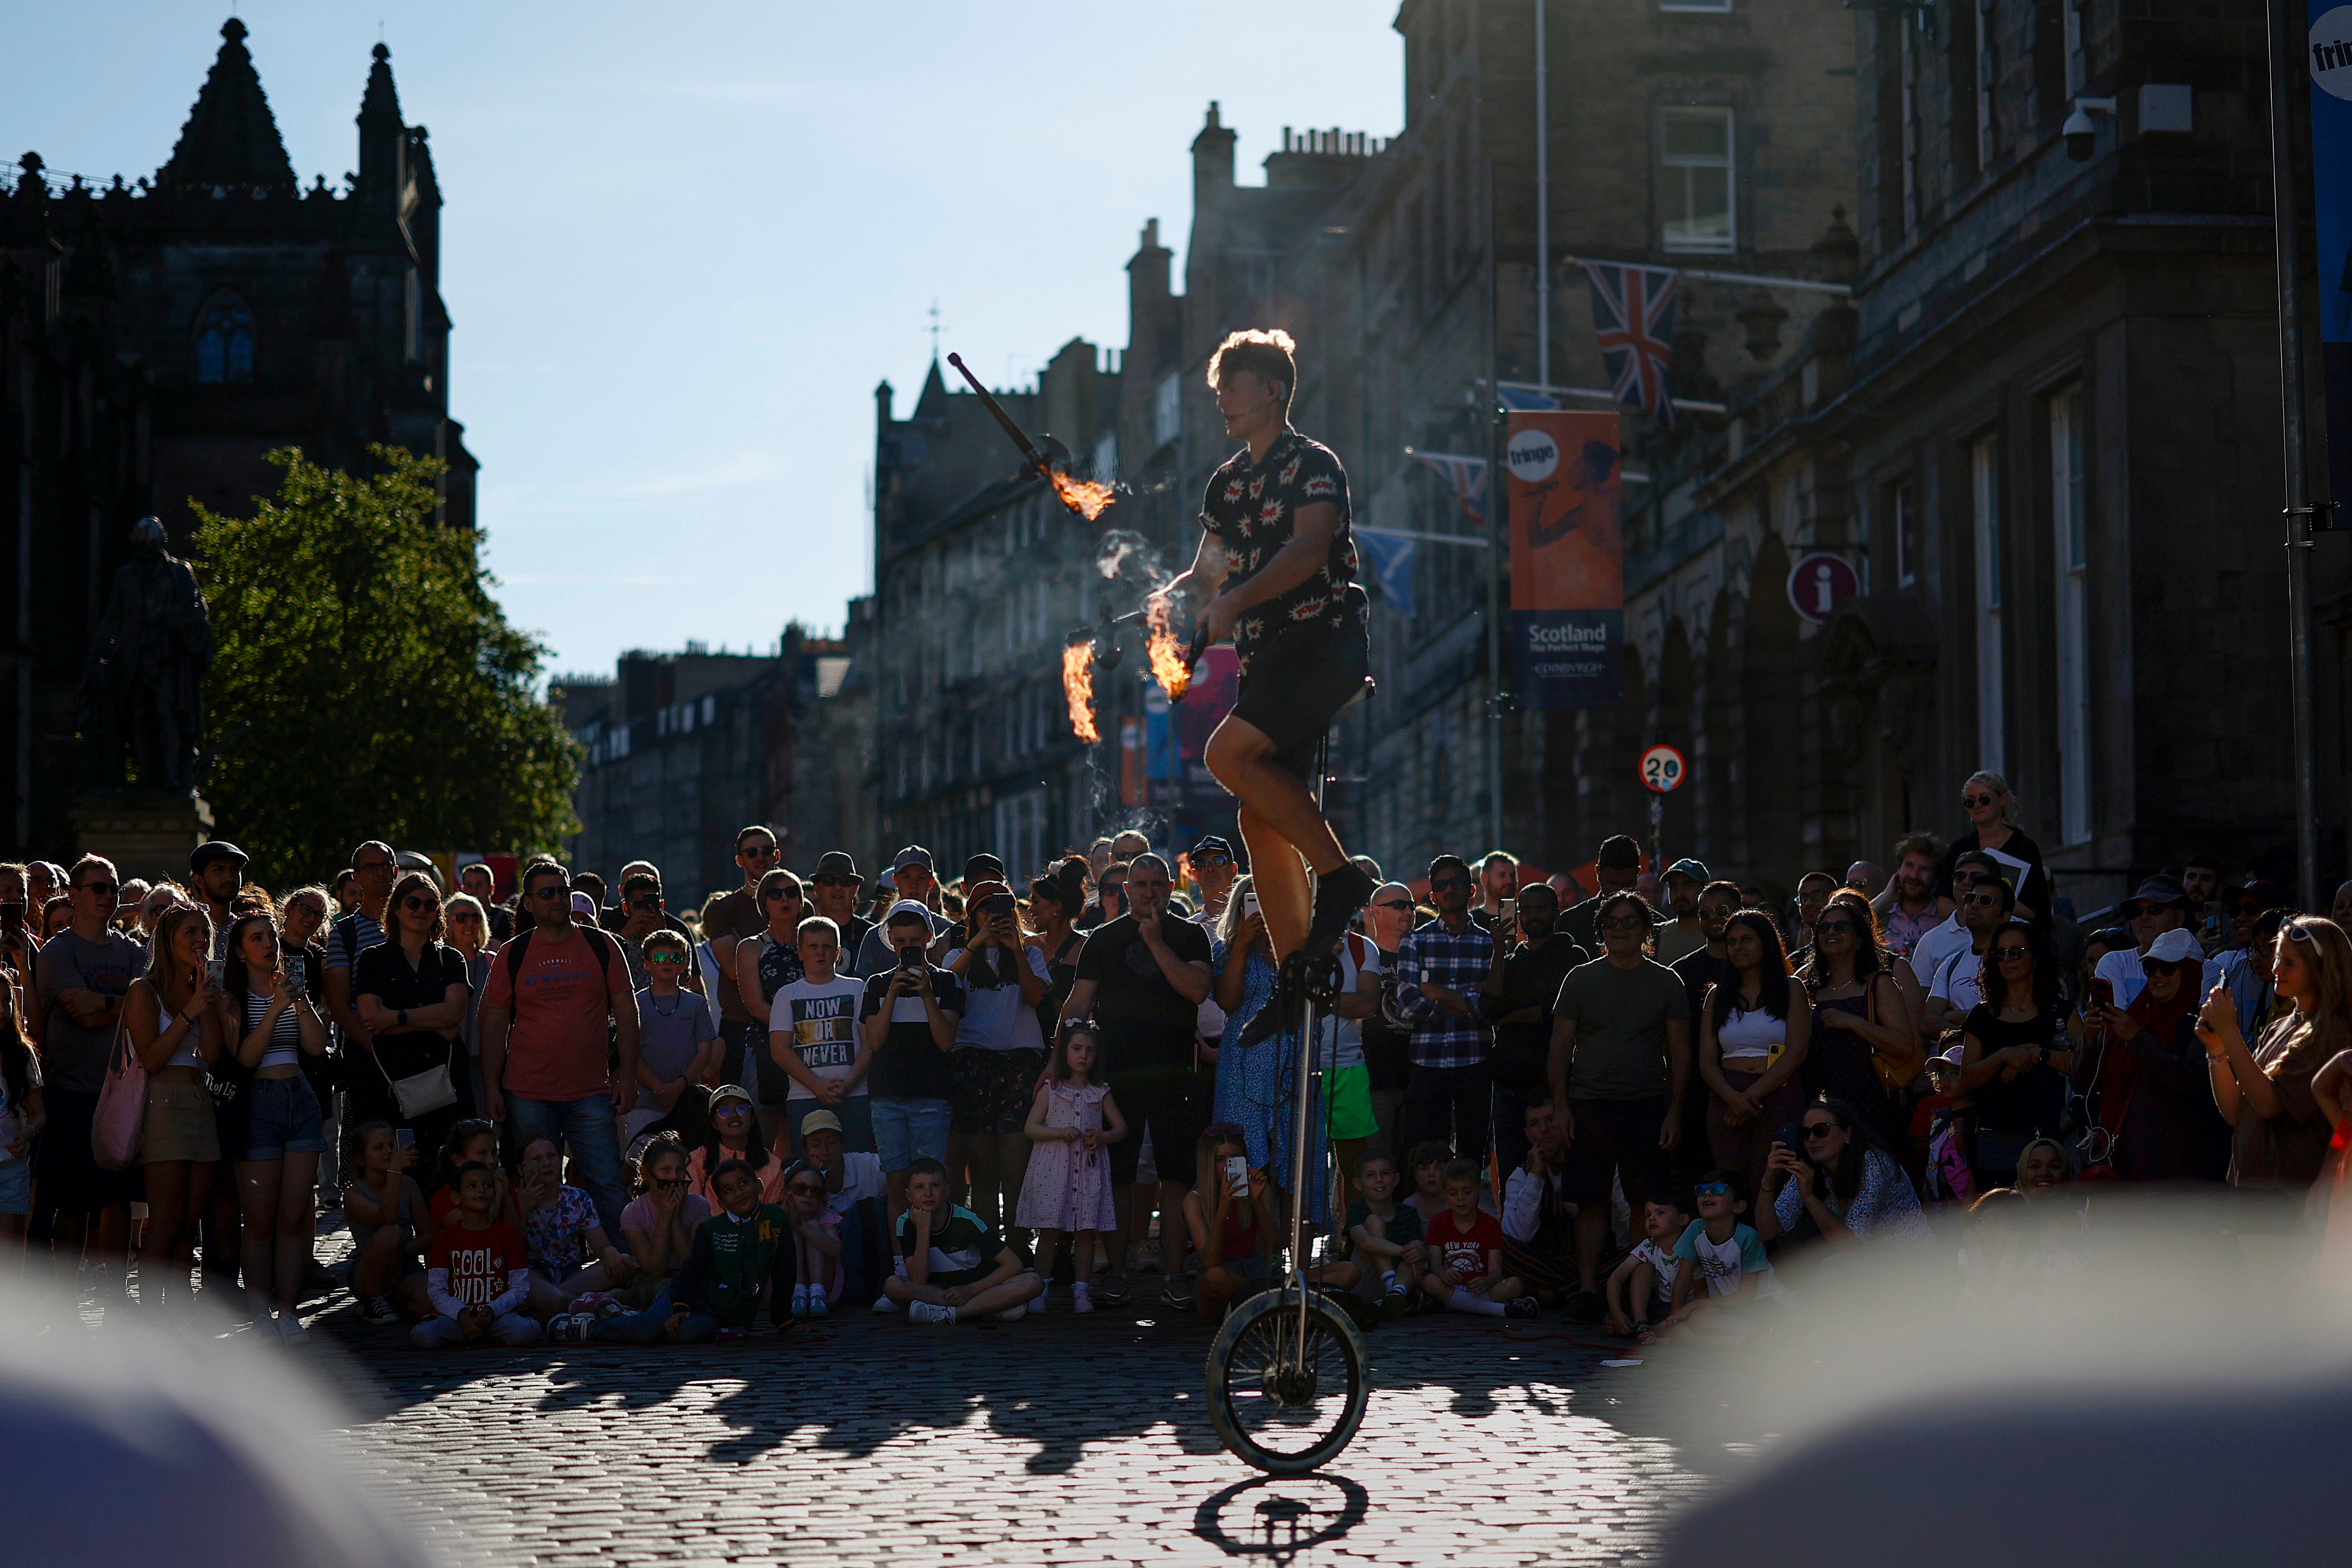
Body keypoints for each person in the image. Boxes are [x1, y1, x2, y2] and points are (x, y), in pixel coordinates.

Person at [1159, 329, 1376, 979]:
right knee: (1259, 816)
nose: (1221, 397)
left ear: (1273, 390)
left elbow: (1308, 550)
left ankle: (1340, 877)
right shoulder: (1225, 485)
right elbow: (1207, 576)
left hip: (1323, 640)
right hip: (1267, 659)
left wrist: (1233, 602)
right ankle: (1297, 972)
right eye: (1218, 386)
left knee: (1225, 754)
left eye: (1232, 384)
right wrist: (1168, 599)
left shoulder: (1314, 463)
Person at [1060, 852, 1213, 1308]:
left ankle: (1173, 1275)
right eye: (1141, 885)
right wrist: (1055, 1071)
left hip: (1176, 1075)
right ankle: (1118, 1271)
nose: (1150, 893)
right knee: (1118, 1178)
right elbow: (1077, 1007)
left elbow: (1197, 990)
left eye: (1158, 884)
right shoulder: (1103, 940)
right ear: (1127, 891)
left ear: (1171, 888)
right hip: (1117, 1076)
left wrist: (1156, 942)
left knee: (1176, 1179)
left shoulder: (1189, 936)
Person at [1547, 890, 1690, 1323]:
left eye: (1631, 922)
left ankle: (1634, 1288)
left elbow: (1680, 1052)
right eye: (1612, 923)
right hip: (1588, 1104)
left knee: (1644, 1202)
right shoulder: (1580, 979)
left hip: (1646, 1104)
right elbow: (1559, 1048)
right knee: (1590, 1203)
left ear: (1647, 929)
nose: (1621, 929)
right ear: (1601, 931)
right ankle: (1590, 1290)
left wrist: (1675, 1110)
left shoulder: (1667, 981)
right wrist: (1561, 1106)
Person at [478, 859, 641, 1240]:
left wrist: (629, 1077)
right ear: (529, 904)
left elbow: (629, 1014)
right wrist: (491, 1087)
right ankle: (537, 1270)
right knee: (535, 1186)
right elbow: (493, 1025)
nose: (557, 899)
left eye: (563, 891)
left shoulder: (602, 945)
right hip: (528, 1092)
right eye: (547, 893)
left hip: (591, 1091)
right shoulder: (513, 954)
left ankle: (625, 1269)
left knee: (606, 1183)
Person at [26, 855, 144, 1301]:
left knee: (116, 1203)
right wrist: (127, 1006)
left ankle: (116, 1298)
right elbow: (81, 1011)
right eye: (98, 888)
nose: (108, 897)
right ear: (73, 896)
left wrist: (108, 1005)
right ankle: (64, 1301)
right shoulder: (58, 951)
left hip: (121, 1093)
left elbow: (114, 1011)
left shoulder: (134, 952)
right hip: (71, 1091)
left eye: (112, 888)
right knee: (72, 1205)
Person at [218, 909, 329, 1339]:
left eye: (271, 937)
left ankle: (288, 1310)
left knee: (293, 1217)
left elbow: (316, 1046)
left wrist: (298, 1002)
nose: (269, 945)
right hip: (257, 1103)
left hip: (299, 1097)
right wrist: (275, 1008)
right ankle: (260, 1312)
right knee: (260, 1220)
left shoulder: (292, 988)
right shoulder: (233, 998)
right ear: (242, 952)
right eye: (258, 939)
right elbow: (244, 1058)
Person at [2196, 915, 2348, 1196]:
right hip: (2251, 1188)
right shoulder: (2280, 1024)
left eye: (2289, 962)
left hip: (2290, 1194)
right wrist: (2217, 1050)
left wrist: (2230, 1033)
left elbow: (2268, 1104)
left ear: (2320, 969)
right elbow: (2236, 1113)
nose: (2276, 968)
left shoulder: (2332, 1032)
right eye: (2278, 958)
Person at [124, 905, 224, 1312]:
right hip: (162, 1105)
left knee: (190, 1223)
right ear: (168, 940)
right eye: (190, 932)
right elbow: (151, 1058)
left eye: (205, 932)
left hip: (201, 1103)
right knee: (164, 1221)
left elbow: (213, 1055)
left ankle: (180, 1314)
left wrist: (209, 1003)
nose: (200, 940)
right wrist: (190, 1012)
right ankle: (150, 1316)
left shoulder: (201, 988)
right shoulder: (143, 991)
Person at [350, 872, 473, 1181]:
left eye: (431, 904)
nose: (422, 910)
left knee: (449, 1171)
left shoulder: (451, 959)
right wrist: (435, 1022)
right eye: (413, 902)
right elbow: (370, 1018)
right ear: (396, 908)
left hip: (446, 1080)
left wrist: (395, 1018)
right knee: (394, 1173)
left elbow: (454, 1014)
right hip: (390, 1081)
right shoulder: (373, 959)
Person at [943, 880, 1050, 1229]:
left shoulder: (1030, 952)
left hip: (1019, 1062)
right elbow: (944, 988)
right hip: (972, 1063)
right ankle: (990, 1258)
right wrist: (975, 945)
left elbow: (1036, 998)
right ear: (972, 916)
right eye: (984, 909)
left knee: (1016, 1170)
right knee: (984, 1172)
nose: (992, 916)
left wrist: (1015, 950)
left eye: (1000, 909)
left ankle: (1019, 1254)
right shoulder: (955, 956)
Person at [858, 901, 965, 1223]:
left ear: (929, 938)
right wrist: (892, 994)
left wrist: (927, 995)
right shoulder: (876, 984)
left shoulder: (947, 982)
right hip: (887, 1099)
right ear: (890, 939)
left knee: (931, 1188)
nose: (908, 948)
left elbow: (946, 1042)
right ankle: (900, 1262)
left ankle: (933, 1258)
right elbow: (874, 1042)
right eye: (901, 942)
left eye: (915, 942)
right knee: (897, 1189)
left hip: (932, 1098)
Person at [1695, 910, 1811, 1198]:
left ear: (1766, 943)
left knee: (1775, 1186)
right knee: (1733, 1188)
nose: (1738, 948)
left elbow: (1796, 1053)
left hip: (1778, 1095)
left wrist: (1749, 1099)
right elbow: (1707, 1062)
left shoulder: (1792, 988)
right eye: (1732, 942)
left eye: (1746, 939)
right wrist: (1733, 1099)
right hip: (1726, 1098)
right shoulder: (1717, 995)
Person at [1479, 880, 1589, 1175]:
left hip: (1556, 1086)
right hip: (1511, 1086)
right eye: (1525, 910)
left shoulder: (1573, 957)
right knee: (1512, 1172)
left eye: (1541, 909)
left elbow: (1553, 1013)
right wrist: (1499, 950)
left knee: (1565, 1173)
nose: (1533, 916)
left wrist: (1510, 1016)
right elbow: (1490, 1009)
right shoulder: (1512, 961)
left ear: (1555, 913)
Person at [1393, 855, 1497, 1162]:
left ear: (1472, 890)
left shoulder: (1489, 943)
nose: (1449, 890)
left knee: (1472, 1156)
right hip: (1428, 1063)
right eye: (1441, 885)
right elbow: (1407, 1007)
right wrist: (1467, 1002)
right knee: (1426, 1160)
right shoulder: (1415, 942)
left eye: (1457, 882)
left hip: (1475, 1062)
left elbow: (1492, 1007)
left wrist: (1439, 994)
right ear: (1433, 896)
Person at [1795, 891, 1917, 1154]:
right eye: (1824, 927)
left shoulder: (1879, 984)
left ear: (1859, 939)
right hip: (1819, 1108)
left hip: (1872, 1107)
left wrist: (1852, 1022)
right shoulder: (1807, 986)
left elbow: (1905, 1046)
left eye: (1841, 926)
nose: (1831, 932)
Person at [1958, 919, 2076, 1190]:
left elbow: (2087, 1070)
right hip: (1995, 1142)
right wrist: (2003, 1056)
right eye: (2000, 954)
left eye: (2016, 952)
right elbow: (1966, 1080)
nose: (2007, 960)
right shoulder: (1982, 1016)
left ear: (2035, 959)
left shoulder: (2062, 1013)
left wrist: (2040, 1055)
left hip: (2049, 1144)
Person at [1015, 1021, 1125, 1312]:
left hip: (1088, 1172)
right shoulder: (1051, 1090)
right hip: (1054, 1171)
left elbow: (1121, 1128)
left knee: (1085, 1231)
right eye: (1076, 1048)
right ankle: (1039, 1289)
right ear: (1064, 1051)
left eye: (1089, 1050)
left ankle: (1082, 1292)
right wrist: (1059, 1132)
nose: (1083, 1056)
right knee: (1049, 1230)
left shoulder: (1100, 1092)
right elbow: (1031, 1128)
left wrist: (1103, 1137)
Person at [883, 1156, 1043, 1325]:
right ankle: (982, 1308)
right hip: (938, 1293)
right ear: (909, 1195)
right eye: (920, 1187)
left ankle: (952, 1314)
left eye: (935, 1186)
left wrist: (969, 1291)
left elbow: (1013, 1265)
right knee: (893, 1285)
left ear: (946, 1191)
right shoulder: (905, 1222)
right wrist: (923, 1230)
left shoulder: (967, 1220)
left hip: (976, 1288)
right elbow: (918, 1280)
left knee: (1033, 1281)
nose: (928, 1193)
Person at [1757, 1096, 1931, 1249]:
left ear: (1847, 1133)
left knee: (1829, 1265)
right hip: (1869, 1261)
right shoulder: (1811, 1168)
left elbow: (1850, 1244)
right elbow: (1769, 1231)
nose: (1811, 1139)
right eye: (1805, 1133)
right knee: (1797, 1246)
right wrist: (1768, 1181)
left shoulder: (1874, 1164)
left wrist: (1809, 1197)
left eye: (1821, 1130)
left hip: (1910, 1259)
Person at [767, 916, 873, 1155]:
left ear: (838, 952)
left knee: (858, 1164)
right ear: (800, 952)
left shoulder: (858, 988)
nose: (820, 952)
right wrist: (816, 1085)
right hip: (804, 1095)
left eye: (827, 947)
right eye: (813, 947)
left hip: (855, 1095)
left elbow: (870, 1044)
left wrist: (848, 1085)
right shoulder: (787, 995)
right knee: (809, 1168)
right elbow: (780, 1049)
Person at [410, 1161, 541, 1348]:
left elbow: (519, 1286)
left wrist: (493, 1310)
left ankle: (482, 1333)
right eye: (472, 1186)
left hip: (498, 1317)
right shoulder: (446, 1238)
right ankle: (470, 1332)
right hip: (456, 1319)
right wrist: (462, 1316)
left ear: (495, 1195)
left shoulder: (508, 1234)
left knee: (527, 1333)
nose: (481, 1191)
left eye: (488, 1186)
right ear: (456, 1197)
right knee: (422, 1337)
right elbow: (436, 1289)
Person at [516, 1133, 634, 1314]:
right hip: (534, 1275)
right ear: (521, 1168)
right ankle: (588, 1303)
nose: (547, 1163)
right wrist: (523, 1209)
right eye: (537, 1159)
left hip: (573, 1275)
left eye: (551, 1156)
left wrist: (613, 1255)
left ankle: (557, 1303)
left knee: (623, 1263)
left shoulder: (577, 1198)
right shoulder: (514, 1199)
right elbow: (510, 1247)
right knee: (526, 1284)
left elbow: (602, 1247)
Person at [705, 825, 784, 1097]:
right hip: (741, 1026)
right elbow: (734, 969)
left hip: (792, 1022)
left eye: (766, 851)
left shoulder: (797, 904)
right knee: (739, 1112)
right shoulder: (722, 910)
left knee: (791, 1115)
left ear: (777, 856)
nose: (760, 857)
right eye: (752, 853)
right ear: (740, 860)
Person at [733, 867, 811, 1136]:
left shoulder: (815, 945)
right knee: (761, 1139)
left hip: (812, 1050)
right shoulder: (751, 947)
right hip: (766, 1048)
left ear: (801, 901)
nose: (784, 900)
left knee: (805, 1136)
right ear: (764, 903)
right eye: (776, 894)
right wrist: (799, 1029)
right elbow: (754, 1005)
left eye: (791, 893)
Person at [1662, 1170, 1786, 1333]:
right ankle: (1752, 1341)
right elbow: (1683, 1279)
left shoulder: (1749, 1237)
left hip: (1767, 1304)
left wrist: (1694, 1305)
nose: (1707, 1194)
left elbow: (1744, 1299)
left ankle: (1763, 1338)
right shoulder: (1695, 1229)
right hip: (1729, 1308)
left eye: (1718, 1190)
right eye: (1701, 1190)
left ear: (1738, 1206)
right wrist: (1674, 1317)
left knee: (1696, 1320)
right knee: (1685, 1327)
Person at [630, 927, 717, 1146]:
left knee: (690, 1160)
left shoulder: (696, 1003)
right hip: (645, 1101)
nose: (667, 962)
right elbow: (630, 1052)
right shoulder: (635, 1004)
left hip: (687, 1100)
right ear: (647, 964)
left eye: (675, 957)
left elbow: (705, 1051)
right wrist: (659, 1088)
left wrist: (679, 1086)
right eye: (659, 957)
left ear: (683, 964)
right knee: (639, 1160)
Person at [1418, 1157, 1535, 1317]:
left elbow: (1496, 1272)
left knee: (1514, 1285)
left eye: (1467, 1192)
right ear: (1445, 1193)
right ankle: (1498, 1310)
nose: (1460, 1198)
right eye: (1453, 1193)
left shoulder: (1490, 1224)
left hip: (1481, 1291)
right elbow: (1435, 1266)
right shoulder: (1438, 1223)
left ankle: (1454, 1305)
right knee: (1429, 1281)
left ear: (1479, 1189)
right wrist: (1444, 1275)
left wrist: (1486, 1282)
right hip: (1451, 1287)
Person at [342, 1120, 431, 1326]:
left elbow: (428, 1237)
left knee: (431, 1301)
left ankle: (394, 1306)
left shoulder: (408, 1186)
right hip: (369, 1272)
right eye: (379, 1148)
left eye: (392, 1146)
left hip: (405, 1266)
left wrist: (398, 1253)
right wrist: (394, 1172)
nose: (389, 1152)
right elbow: (387, 1218)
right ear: (361, 1159)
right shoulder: (353, 1195)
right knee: (391, 1233)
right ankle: (373, 1301)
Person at [1183, 1122, 1271, 1322]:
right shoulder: (1195, 1200)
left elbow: (1276, 1245)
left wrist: (1258, 1203)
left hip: (1255, 1272)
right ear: (1208, 1163)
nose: (1227, 1167)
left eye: (1235, 1160)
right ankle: (1268, 1301)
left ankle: (1263, 1303)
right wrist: (1223, 1207)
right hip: (1222, 1282)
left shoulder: (1258, 1189)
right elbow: (1210, 1262)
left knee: (1346, 1271)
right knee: (1214, 1276)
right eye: (1220, 1160)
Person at [2094, 876, 2223, 1008]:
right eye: (2137, 911)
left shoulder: (2206, 970)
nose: (2144, 917)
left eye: (2155, 909)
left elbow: (2193, 1025)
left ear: (2179, 917)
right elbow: (2115, 1024)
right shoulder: (2114, 962)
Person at [1320, 1148, 1420, 1317]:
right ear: (1358, 1184)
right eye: (1370, 1175)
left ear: (1396, 1179)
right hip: (1365, 1282)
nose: (1379, 1180)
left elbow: (1417, 1248)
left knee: (1413, 1259)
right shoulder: (1356, 1211)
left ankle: (1396, 1294)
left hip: (1402, 1281)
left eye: (1385, 1174)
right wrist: (1404, 1251)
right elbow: (1366, 1242)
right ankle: (1391, 1289)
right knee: (1374, 1223)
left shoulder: (1408, 1213)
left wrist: (1414, 1253)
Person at [1498, 1096, 1577, 1306]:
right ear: (1528, 1134)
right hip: (1542, 1265)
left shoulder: (1586, 1163)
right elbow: (1518, 1235)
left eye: (1551, 1120)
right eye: (1535, 1124)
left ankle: (1553, 1296)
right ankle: (1580, 1292)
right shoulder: (1521, 1175)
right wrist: (1536, 1176)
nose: (1544, 1130)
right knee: (1501, 1246)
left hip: (1588, 1260)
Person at [1921, 864, 2016, 1038]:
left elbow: (2012, 1013)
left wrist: (1952, 1016)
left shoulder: (2016, 961)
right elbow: (1927, 1023)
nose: (1975, 905)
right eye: (1971, 898)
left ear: (2005, 916)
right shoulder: (1951, 964)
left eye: (1986, 901)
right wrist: (1972, 1036)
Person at [1939, 770, 2048, 920]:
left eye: (1984, 799)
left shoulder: (2025, 848)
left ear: (2003, 799)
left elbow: (2038, 910)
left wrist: (1994, 905)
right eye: (1970, 802)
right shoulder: (1958, 849)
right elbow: (1944, 904)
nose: (1977, 805)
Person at [618, 1132, 707, 1309]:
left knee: (697, 1287)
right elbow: (655, 1271)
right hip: (650, 1280)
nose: (674, 1177)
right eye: (665, 1170)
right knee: (663, 1290)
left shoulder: (699, 1205)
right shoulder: (633, 1214)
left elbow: (690, 1264)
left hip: (688, 1276)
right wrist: (665, 1217)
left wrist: (676, 1219)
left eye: (680, 1170)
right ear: (646, 1174)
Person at [1603, 1191, 1690, 1343]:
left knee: (1689, 1324)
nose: (1652, 1218)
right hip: (1659, 1306)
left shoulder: (1692, 1245)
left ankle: (1642, 1330)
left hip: (1686, 1309)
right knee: (1642, 1266)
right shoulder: (1649, 1246)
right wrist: (1617, 1314)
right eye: (1648, 1215)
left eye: (1660, 1213)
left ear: (1682, 1219)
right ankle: (1640, 1323)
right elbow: (1615, 1279)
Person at [0, 981, 45, 1264]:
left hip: (11, 1169)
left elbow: (40, 1114)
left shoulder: (21, 1053)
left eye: (7, 1001)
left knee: (10, 1267)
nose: (2, 1009)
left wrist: (26, 1135)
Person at [854, 848, 951, 975]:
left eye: (921, 877)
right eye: (906, 877)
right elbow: (864, 988)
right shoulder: (875, 937)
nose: (914, 885)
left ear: (931, 882)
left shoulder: (948, 931)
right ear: (896, 881)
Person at [688, 1085, 787, 1208]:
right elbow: (693, 1211)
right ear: (714, 1123)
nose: (734, 1115)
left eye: (742, 1108)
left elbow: (773, 1215)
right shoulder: (696, 1161)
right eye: (724, 1111)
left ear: (752, 1118)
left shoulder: (774, 1165)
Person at [1027, 862, 1088, 1045]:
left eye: (1036, 902)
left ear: (1056, 907)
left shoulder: (1084, 948)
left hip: (1069, 1045)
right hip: (1030, 1041)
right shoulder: (1027, 946)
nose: (1031, 910)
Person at [1871, 834, 1951, 960]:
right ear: (1899, 869)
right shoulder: (1883, 913)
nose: (1914, 875)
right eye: (1909, 865)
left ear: (1936, 877)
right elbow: (1852, 923)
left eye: (1924, 869)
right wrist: (1886, 896)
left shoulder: (1944, 918)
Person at [781, 1158, 843, 1316]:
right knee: (791, 1231)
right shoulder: (777, 1215)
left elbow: (836, 1250)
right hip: (784, 1287)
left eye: (816, 1191)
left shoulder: (827, 1216)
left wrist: (801, 1224)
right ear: (787, 1191)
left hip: (824, 1284)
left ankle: (816, 1293)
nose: (808, 1195)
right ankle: (798, 1292)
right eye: (800, 1189)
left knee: (814, 1226)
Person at [807, 851, 873, 975]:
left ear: (856, 889)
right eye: (829, 881)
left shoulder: (872, 935)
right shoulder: (803, 935)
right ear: (816, 888)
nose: (838, 887)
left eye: (846, 882)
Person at [1654, 859, 1711, 965]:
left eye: (1688, 886)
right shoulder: (1656, 934)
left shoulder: (1716, 935)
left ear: (1704, 890)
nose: (1680, 893)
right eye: (1674, 886)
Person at [1189, 836, 1241, 926]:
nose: (1210, 868)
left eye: (1219, 861)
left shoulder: (1249, 920)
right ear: (1195, 876)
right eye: (1201, 864)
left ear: (1234, 870)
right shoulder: (1188, 929)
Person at [458, 863, 513, 945]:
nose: (474, 891)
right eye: (469, 886)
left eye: (480, 886)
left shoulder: (506, 920)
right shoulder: (457, 919)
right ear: (463, 890)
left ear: (491, 889)